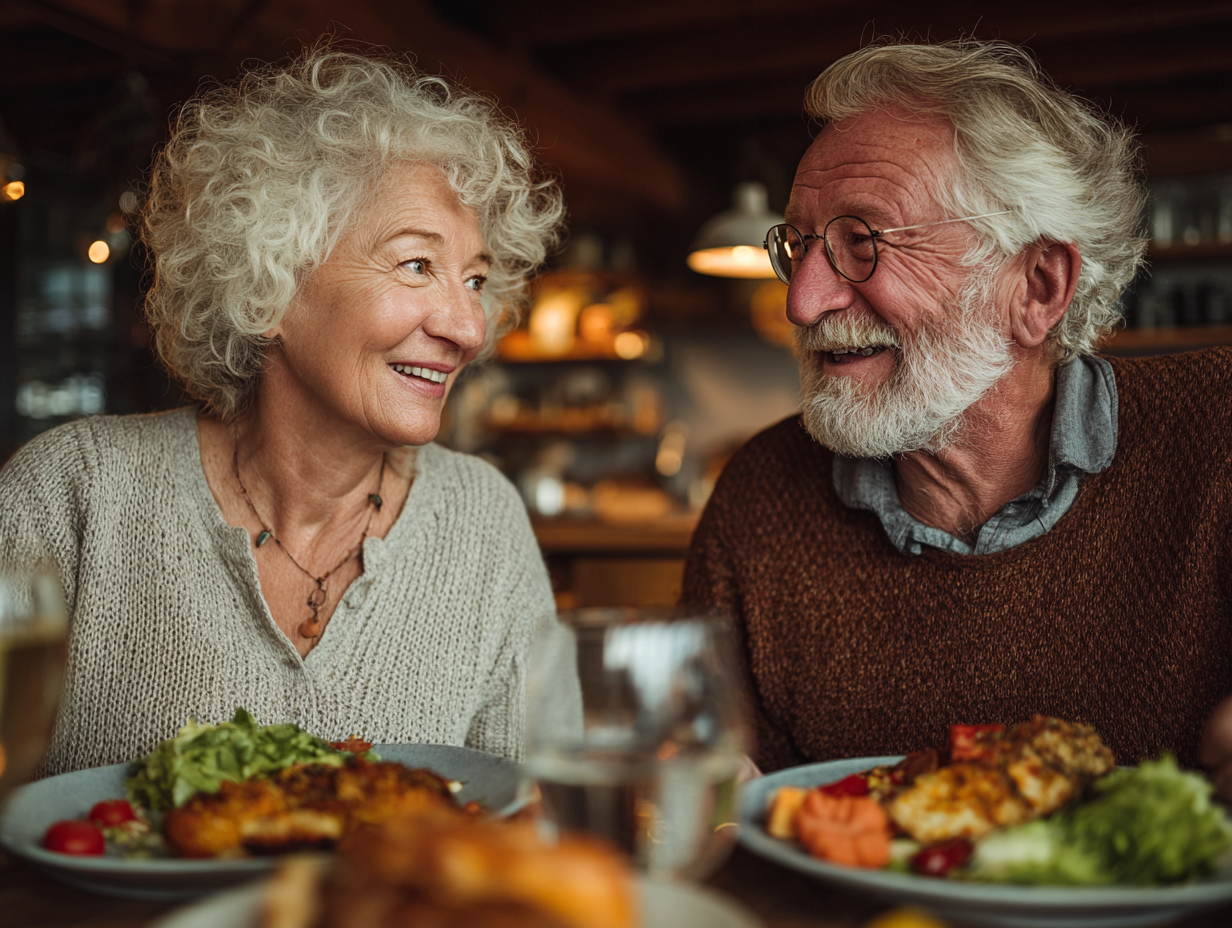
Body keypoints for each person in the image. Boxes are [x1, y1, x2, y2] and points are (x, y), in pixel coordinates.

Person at [0, 45, 565, 775]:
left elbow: (535, 820)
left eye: (477, 279)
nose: (468, 327)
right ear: (269, 286)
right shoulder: (72, 494)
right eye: (417, 264)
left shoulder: (484, 524)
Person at [682, 40, 1232, 777]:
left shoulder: (1219, 431)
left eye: (862, 241)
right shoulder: (760, 500)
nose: (801, 301)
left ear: (1037, 286)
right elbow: (720, 805)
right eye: (802, 244)